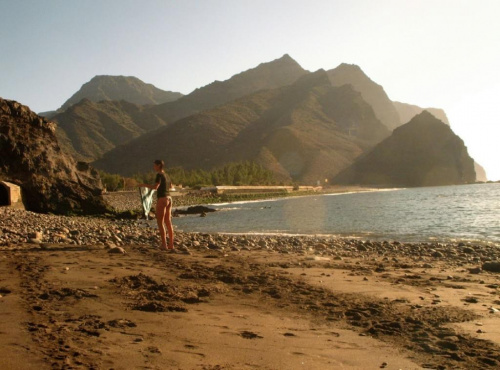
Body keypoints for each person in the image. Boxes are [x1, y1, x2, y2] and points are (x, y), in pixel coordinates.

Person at [139, 160, 174, 250]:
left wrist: (144, 185)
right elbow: (171, 186)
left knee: (160, 222)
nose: (154, 167)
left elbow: (155, 187)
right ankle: (171, 244)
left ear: (159, 166)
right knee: (168, 222)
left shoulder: (159, 175)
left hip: (162, 198)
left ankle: (164, 245)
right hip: (169, 198)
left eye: (154, 165)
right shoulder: (167, 175)